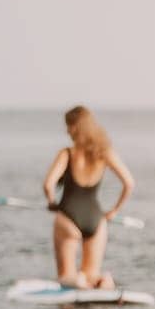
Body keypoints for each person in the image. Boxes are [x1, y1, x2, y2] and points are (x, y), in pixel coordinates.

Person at [42, 106, 135, 289]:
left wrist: (52, 202)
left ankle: (77, 281)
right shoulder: (104, 153)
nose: (67, 131)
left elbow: (48, 184)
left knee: (66, 276)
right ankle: (102, 281)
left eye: (68, 126)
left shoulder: (67, 154)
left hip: (68, 217)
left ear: (75, 127)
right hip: (96, 219)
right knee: (92, 274)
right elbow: (129, 183)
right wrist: (114, 211)